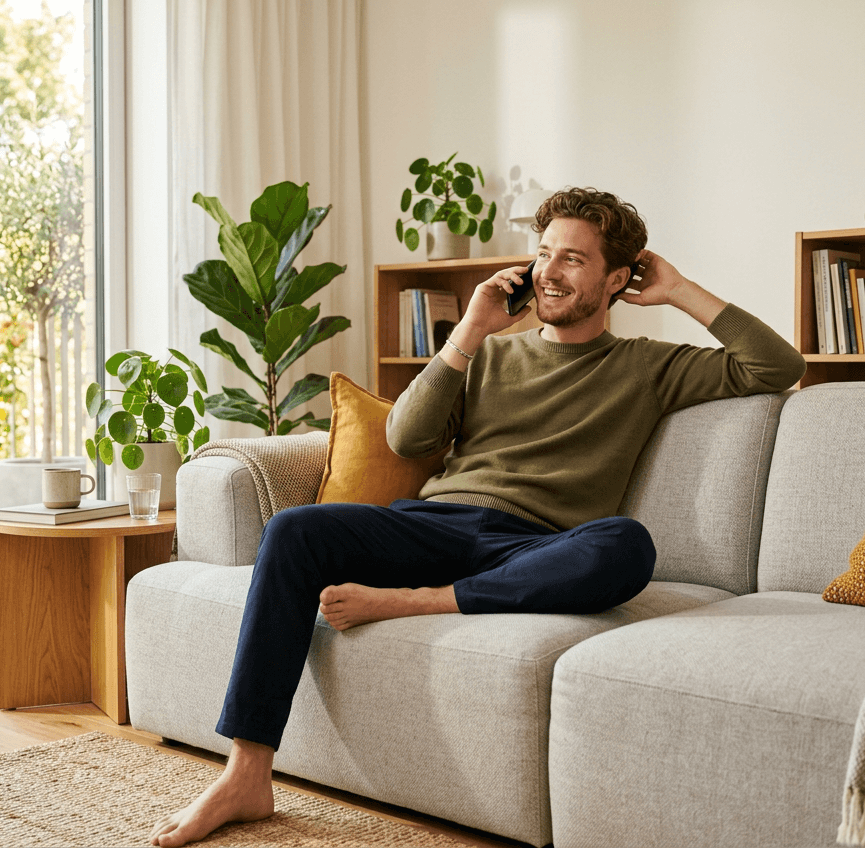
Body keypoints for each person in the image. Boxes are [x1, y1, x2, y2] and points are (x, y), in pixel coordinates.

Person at [148, 187, 806, 847]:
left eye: (573, 259)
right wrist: (470, 330)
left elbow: (778, 366)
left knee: (626, 545)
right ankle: (247, 773)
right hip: (435, 524)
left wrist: (680, 289)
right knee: (294, 530)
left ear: (616, 280)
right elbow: (406, 438)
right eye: (543, 253)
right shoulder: (487, 354)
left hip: (535, 548)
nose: (548, 272)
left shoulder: (650, 365)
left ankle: (414, 602)